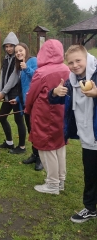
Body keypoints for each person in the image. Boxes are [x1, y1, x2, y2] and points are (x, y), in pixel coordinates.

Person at [49, 44, 97, 222]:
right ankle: (90, 208)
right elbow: (53, 98)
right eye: (71, 62)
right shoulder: (72, 80)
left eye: (78, 61)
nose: (75, 65)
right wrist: (55, 92)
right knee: (90, 173)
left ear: (87, 59)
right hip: (89, 137)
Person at [25, 39, 70, 195]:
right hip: (62, 112)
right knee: (60, 145)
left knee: (46, 147)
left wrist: (27, 108)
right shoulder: (67, 68)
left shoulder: (41, 72)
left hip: (44, 114)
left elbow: (32, 94)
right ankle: (60, 180)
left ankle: (52, 184)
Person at [6, 42, 42, 169]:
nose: (18, 53)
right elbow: (24, 86)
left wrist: (26, 68)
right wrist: (17, 99)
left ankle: (41, 159)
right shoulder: (20, 65)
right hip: (27, 103)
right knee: (31, 130)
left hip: (36, 103)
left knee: (37, 131)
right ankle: (35, 154)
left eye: (20, 50)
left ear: (26, 50)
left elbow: (38, 79)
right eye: (16, 52)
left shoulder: (33, 61)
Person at [0, 32, 27, 154]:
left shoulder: (18, 58)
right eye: (6, 46)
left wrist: (3, 92)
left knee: (19, 120)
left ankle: (22, 147)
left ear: (16, 46)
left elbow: (14, 77)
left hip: (17, 94)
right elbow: (3, 75)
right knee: (1, 116)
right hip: (7, 93)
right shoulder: (6, 58)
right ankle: (9, 143)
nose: (8, 48)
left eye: (11, 46)